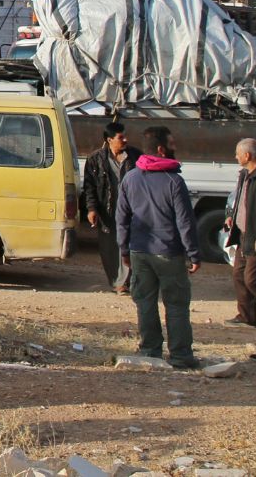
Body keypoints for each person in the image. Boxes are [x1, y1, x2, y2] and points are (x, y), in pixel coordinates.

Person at [117, 126, 201, 369]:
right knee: (176, 305)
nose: (176, 147)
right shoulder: (174, 181)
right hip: (169, 253)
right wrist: (193, 253)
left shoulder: (130, 177)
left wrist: (124, 250)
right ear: (162, 149)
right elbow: (185, 222)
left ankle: (150, 351)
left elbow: (121, 218)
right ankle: (181, 356)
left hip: (139, 251)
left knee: (144, 302)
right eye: (172, 143)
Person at [82, 122, 141, 295]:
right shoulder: (95, 159)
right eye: (120, 137)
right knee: (109, 247)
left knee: (129, 244)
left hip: (131, 211)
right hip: (107, 210)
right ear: (109, 140)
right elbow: (89, 186)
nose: (125, 140)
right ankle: (117, 281)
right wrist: (91, 209)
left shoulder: (136, 157)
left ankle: (127, 281)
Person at [226, 138, 256, 328]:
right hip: (243, 234)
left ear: (247, 155)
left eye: (237, 153)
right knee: (238, 275)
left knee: (253, 280)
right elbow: (237, 199)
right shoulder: (245, 174)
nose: (235, 157)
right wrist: (231, 216)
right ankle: (246, 317)